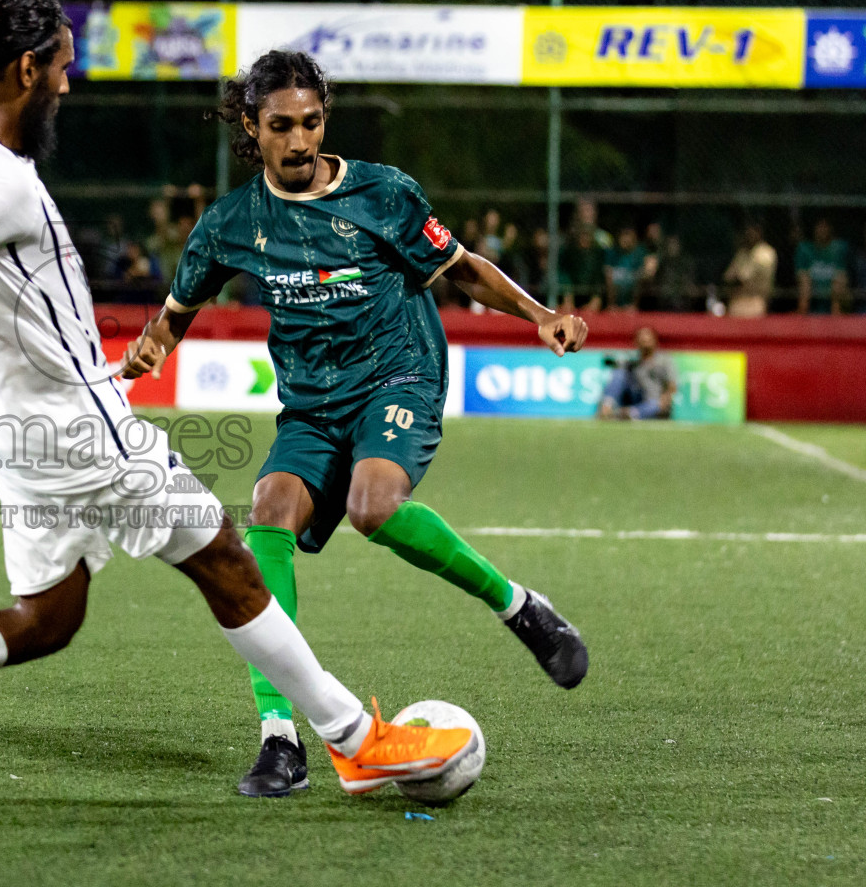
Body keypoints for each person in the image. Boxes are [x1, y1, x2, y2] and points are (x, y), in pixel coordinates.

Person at [0, 0, 475, 823]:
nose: (71, 86)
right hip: (78, 427)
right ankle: (353, 740)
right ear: (27, 68)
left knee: (47, 617)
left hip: (6, 430)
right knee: (227, 560)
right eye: (64, 69)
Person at [119, 50, 590, 799]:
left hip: (398, 375)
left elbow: (460, 266)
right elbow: (176, 312)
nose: (300, 140)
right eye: (282, 126)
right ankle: (280, 739)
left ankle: (521, 607)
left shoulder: (381, 193)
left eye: (311, 122)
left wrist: (540, 316)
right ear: (252, 127)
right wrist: (153, 345)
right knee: (266, 510)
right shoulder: (231, 224)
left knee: (373, 506)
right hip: (312, 402)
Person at [597, 327, 677, 420]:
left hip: (653, 400)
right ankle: (606, 407)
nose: (645, 340)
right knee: (619, 373)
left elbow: (672, 384)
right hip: (635, 396)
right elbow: (609, 361)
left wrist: (666, 398)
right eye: (642, 338)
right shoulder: (632, 360)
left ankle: (628, 414)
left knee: (655, 405)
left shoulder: (665, 360)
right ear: (636, 342)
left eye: (648, 337)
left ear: (655, 341)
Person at [795, 218, 849, 315]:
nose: (822, 229)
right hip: (813, 300)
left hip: (832, 300)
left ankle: (836, 314)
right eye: (819, 226)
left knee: (839, 281)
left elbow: (841, 275)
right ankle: (803, 313)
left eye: (825, 226)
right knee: (805, 283)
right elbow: (803, 277)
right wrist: (804, 305)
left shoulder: (839, 248)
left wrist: (835, 306)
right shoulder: (804, 249)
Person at [723, 223, 776, 318]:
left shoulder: (766, 252)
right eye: (747, 231)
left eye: (752, 231)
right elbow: (727, 278)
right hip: (737, 301)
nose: (749, 234)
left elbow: (742, 278)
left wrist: (735, 280)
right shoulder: (742, 252)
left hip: (756, 302)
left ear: (759, 233)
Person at [603, 225, 646, 310]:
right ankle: (612, 305)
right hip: (614, 300)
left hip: (631, 300)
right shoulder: (611, 252)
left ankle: (633, 305)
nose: (625, 239)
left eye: (628, 235)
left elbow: (641, 276)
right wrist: (611, 304)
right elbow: (607, 274)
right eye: (623, 235)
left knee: (640, 275)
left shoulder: (639, 253)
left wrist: (634, 305)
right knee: (610, 275)